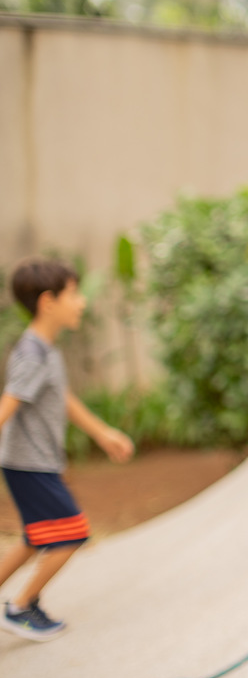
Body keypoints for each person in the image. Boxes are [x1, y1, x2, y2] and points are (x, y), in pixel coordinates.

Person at [0, 258, 134, 640]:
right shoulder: (32, 354)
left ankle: (21, 603)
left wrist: (102, 432)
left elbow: (62, 398)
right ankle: (20, 607)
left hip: (31, 462)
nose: (82, 302)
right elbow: (7, 404)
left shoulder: (46, 350)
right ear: (48, 302)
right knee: (72, 532)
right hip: (28, 464)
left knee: (36, 537)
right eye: (74, 294)